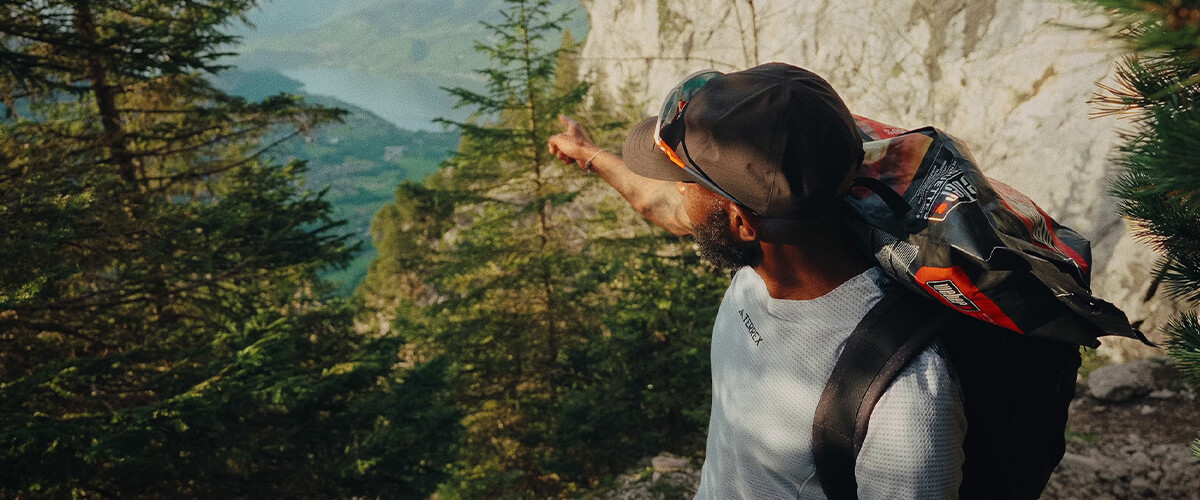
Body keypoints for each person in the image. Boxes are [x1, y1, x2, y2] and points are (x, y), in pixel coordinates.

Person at [548, 63, 966, 498]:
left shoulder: (903, 400)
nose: (677, 194)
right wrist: (588, 154)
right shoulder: (784, 240)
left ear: (741, 222)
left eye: (685, 184)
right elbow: (659, 203)